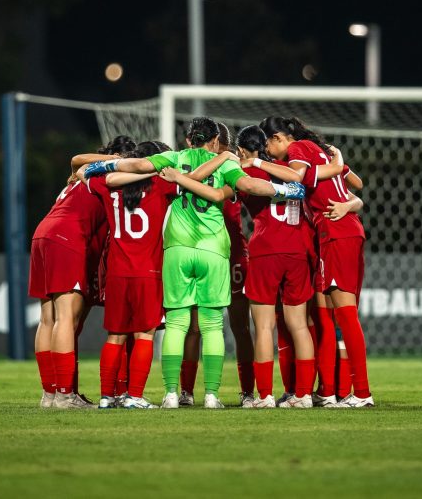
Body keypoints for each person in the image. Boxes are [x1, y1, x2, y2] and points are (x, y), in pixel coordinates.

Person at [84, 117, 305, 408]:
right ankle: (212, 395)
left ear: (188, 140)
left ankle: (172, 394)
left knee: (177, 324)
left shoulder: (173, 158)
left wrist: (102, 166)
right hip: (213, 249)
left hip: (177, 249)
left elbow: (137, 166)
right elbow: (251, 185)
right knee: (212, 325)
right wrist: (286, 191)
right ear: (215, 141)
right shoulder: (225, 163)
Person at [257, 116, 374, 408]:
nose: (267, 151)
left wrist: (256, 164)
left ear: (280, 138)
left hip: (336, 233)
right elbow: (355, 183)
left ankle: (361, 393)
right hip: (337, 232)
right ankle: (331, 390)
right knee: (326, 318)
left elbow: (297, 177)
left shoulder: (299, 151)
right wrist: (346, 193)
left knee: (344, 316)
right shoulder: (318, 150)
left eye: (267, 144)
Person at [30, 135, 135, 409]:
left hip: (43, 234)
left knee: (48, 318)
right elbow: (78, 159)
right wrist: (122, 163)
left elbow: (77, 161)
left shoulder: (80, 177)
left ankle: (50, 394)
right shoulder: (105, 178)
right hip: (67, 238)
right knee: (67, 318)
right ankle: (65, 395)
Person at [84, 141, 174, 409]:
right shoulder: (161, 185)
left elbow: (83, 172)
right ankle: (134, 396)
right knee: (145, 335)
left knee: (115, 336)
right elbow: (190, 180)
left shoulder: (108, 185)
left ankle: (105, 397)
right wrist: (151, 171)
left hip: (117, 273)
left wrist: (113, 165)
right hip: (148, 271)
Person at [234, 125, 316, 408]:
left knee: (265, 327)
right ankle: (304, 395)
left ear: (243, 149)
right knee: (299, 326)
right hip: (296, 251)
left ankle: (265, 395)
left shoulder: (245, 172)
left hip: (265, 250)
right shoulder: (290, 169)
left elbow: (241, 189)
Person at [179, 122, 255, 407]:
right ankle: (241, 394)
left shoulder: (190, 168)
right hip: (224, 252)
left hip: (218, 252)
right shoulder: (230, 167)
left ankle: (241, 392)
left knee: (212, 326)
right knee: (225, 326)